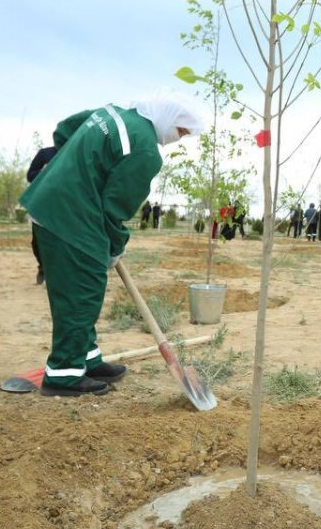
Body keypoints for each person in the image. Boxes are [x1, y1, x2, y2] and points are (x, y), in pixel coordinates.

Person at [20, 97, 204, 397]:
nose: (179, 139)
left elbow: (65, 129)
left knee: (81, 290)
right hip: (71, 215)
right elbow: (115, 207)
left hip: (50, 202)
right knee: (82, 290)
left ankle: (86, 360)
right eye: (181, 131)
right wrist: (116, 244)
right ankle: (63, 375)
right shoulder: (145, 150)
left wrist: (61, 158)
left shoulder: (113, 113)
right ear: (170, 118)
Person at [26, 145, 58, 284]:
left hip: (64, 206)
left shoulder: (74, 152)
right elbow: (30, 175)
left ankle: (56, 274)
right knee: (37, 243)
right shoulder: (45, 153)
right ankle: (42, 267)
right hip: (42, 205)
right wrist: (44, 172)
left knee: (59, 242)